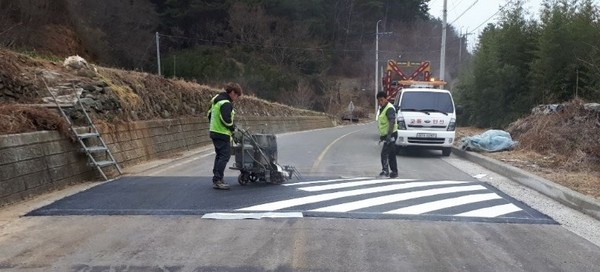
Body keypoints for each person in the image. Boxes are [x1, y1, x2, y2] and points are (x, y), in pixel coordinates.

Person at [207, 83, 243, 190]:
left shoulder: (216, 99)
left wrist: (213, 125)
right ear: (232, 93)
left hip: (214, 131)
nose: (236, 99)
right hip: (222, 133)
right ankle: (218, 180)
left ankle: (217, 178)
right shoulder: (226, 103)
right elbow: (226, 119)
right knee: (224, 156)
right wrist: (232, 129)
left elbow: (209, 114)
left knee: (219, 155)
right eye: (236, 96)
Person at [376, 91, 398, 178]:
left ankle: (385, 171)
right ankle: (394, 172)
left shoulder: (389, 108)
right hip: (388, 135)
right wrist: (383, 137)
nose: (380, 102)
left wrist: (389, 135)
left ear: (386, 99)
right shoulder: (383, 108)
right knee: (391, 153)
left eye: (381, 100)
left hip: (391, 134)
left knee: (384, 153)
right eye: (379, 101)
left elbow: (392, 121)